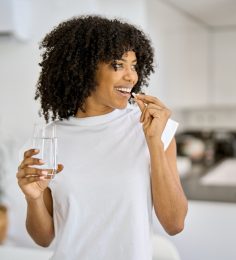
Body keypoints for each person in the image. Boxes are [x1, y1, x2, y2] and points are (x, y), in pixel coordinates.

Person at [16, 15, 188, 260]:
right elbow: (44, 239)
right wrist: (32, 198)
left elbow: (175, 223)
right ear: (84, 68)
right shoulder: (48, 138)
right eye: (118, 65)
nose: (132, 77)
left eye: (134, 65)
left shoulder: (153, 128)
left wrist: (154, 143)